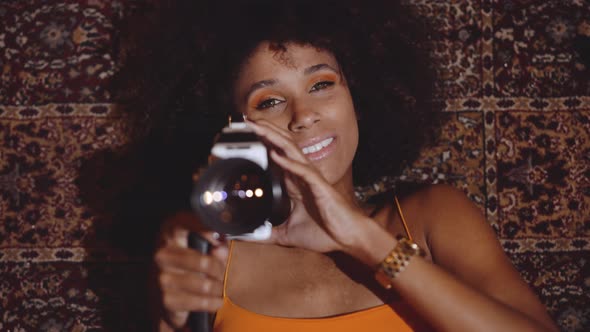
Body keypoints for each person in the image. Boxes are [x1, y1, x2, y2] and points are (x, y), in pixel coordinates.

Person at [138, 1, 559, 331]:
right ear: (236, 129)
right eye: (269, 101)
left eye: (321, 85)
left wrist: (364, 240)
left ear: (360, 98)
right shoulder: (208, 244)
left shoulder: (433, 216)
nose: (303, 115)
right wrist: (171, 321)